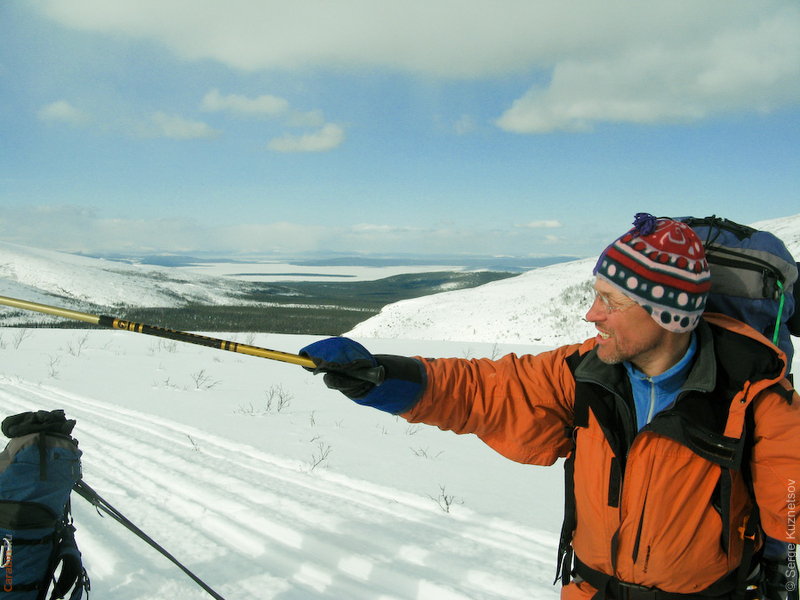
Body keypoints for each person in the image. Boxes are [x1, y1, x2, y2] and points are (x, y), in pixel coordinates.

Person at [301, 214, 799, 599]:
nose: (591, 314)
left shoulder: (753, 398)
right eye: (595, 295)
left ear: (668, 313)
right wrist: (383, 378)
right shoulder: (584, 373)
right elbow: (484, 391)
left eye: (612, 301)